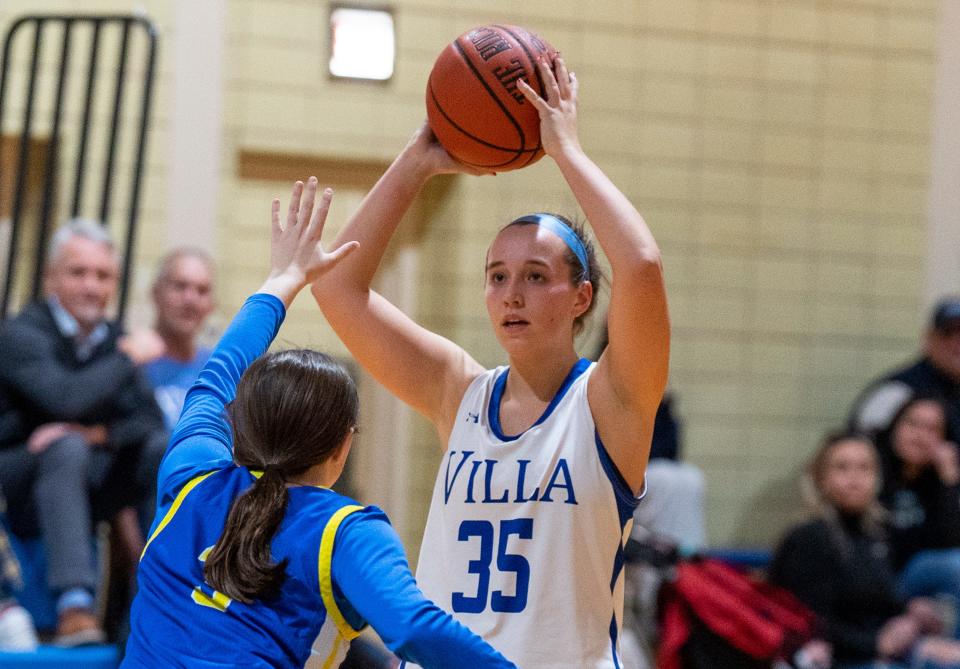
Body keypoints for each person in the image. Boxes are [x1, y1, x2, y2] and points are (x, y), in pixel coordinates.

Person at [312, 56, 669, 668]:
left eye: (536, 276)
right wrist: (419, 157)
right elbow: (336, 286)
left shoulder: (613, 401)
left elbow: (640, 266)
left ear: (582, 296)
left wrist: (566, 151)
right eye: (497, 276)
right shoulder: (458, 390)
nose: (512, 294)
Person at [121, 180, 517, 669]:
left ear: (241, 425)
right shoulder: (345, 532)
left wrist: (283, 280)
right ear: (342, 445)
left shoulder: (191, 474)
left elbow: (215, 377)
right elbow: (414, 627)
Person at [0, 219, 167, 645]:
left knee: (159, 451)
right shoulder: (21, 332)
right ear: (50, 278)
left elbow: (147, 422)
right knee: (66, 447)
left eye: (103, 275)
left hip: (83, 476)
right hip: (17, 477)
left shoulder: (112, 340)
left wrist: (96, 436)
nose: (92, 286)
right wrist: (128, 358)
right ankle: (74, 605)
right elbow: (65, 399)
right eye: (78, 273)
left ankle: (163, 600)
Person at [770, 432, 960, 669]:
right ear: (821, 477)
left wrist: (911, 616)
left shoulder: (876, 531)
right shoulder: (809, 536)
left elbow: (877, 600)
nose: (855, 478)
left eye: (865, 468)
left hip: (882, 646)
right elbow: (806, 621)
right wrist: (877, 644)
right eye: (842, 468)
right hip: (838, 656)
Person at [874, 396, 960, 625]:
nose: (919, 435)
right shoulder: (872, 470)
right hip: (878, 580)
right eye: (912, 423)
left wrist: (949, 480)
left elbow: (950, 541)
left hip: (923, 582)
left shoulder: (941, 483)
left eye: (932, 429)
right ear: (895, 425)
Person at [849, 297, 960, 438]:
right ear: (928, 338)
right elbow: (860, 448)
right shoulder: (897, 391)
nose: (957, 343)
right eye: (948, 334)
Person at [143, 247, 216, 430]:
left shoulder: (219, 368)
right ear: (155, 293)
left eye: (202, 290)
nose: (190, 299)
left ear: (212, 305)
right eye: (180, 286)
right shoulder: (129, 362)